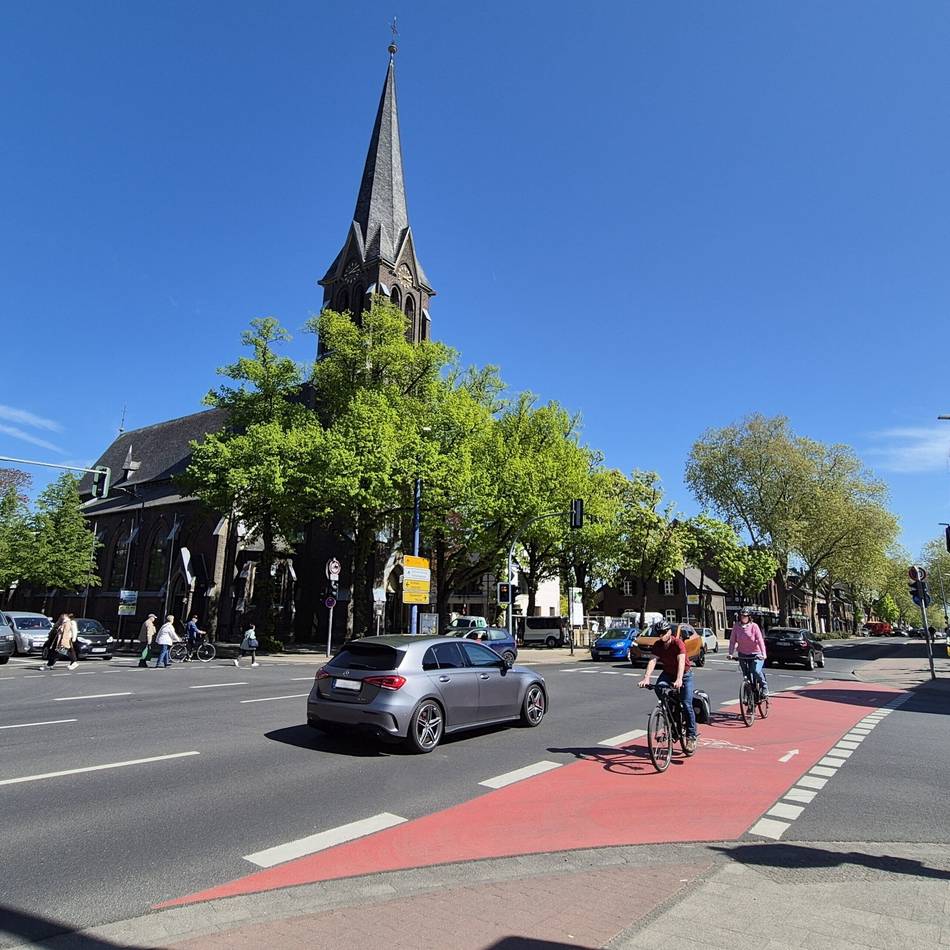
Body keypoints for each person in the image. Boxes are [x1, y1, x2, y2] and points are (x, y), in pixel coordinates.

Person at [637, 620, 698, 754]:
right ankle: (671, 717)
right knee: (660, 688)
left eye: (664, 632)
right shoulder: (658, 645)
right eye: (659, 633)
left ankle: (691, 737)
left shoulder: (678, 643)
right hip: (668, 674)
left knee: (686, 704)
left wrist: (679, 679)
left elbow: (681, 661)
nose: (662, 635)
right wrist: (647, 677)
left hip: (684, 675)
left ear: (669, 632)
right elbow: (653, 660)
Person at [728, 609, 768, 697]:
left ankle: (764, 686)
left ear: (749, 617)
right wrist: (730, 653)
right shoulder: (736, 627)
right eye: (742, 616)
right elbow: (732, 641)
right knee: (746, 676)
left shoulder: (754, 626)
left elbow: (760, 640)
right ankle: (750, 698)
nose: (743, 618)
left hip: (756, 653)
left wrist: (763, 654)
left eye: (745, 616)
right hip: (742, 654)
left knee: (755, 671)